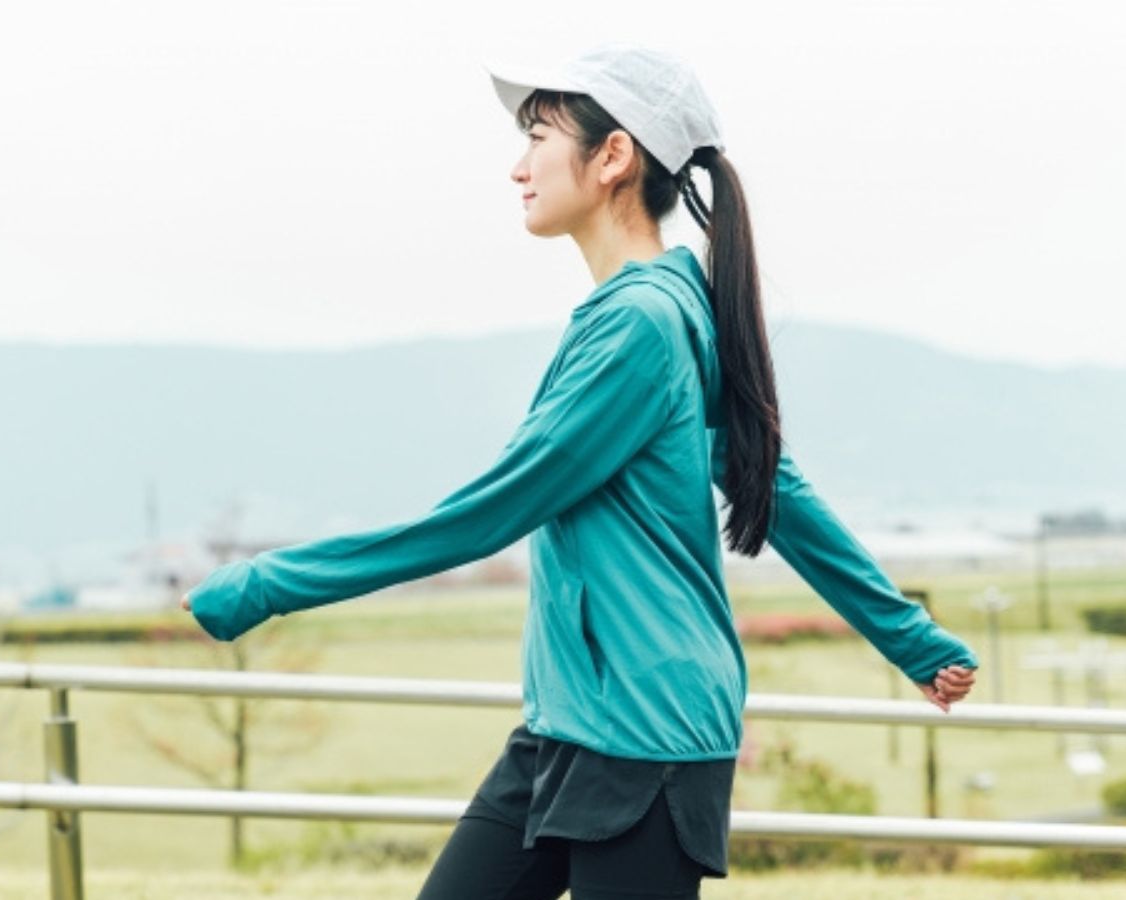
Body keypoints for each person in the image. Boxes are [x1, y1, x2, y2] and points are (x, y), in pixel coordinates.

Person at [183, 41, 978, 900]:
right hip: (569, 723)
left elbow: (489, 513)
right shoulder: (662, 308)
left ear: (612, 157)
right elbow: (773, 486)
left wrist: (267, 584)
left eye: (540, 137)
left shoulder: (641, 324)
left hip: (645, 737)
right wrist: (907, 637)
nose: (517, 167)